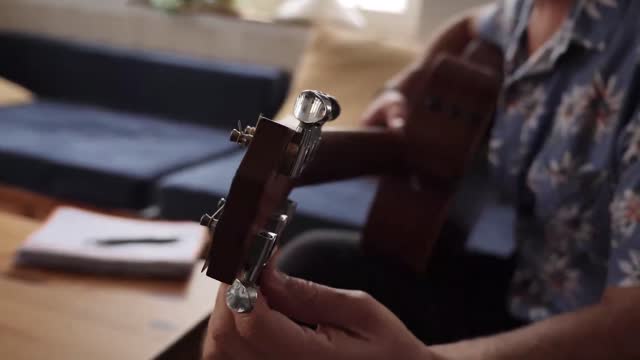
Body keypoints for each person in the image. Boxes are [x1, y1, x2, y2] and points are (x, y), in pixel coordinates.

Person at [203, 0, 640, 358]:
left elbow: (629, 323)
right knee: (316, 264)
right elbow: (468, 27)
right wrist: (402, 86)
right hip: (524, 288)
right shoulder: (528, 12)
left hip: (600, 330)